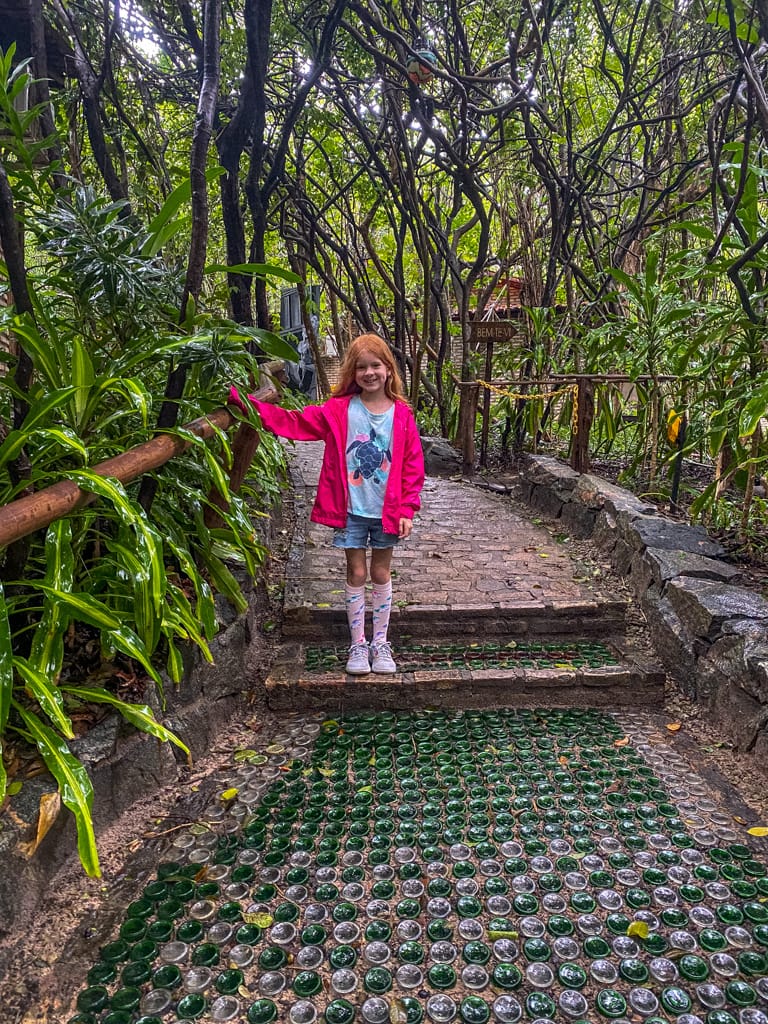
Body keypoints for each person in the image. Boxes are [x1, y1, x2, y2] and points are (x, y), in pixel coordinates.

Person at [229, 333, 425, 675]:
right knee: (356, 572)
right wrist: (250, 406)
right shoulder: (339, 411)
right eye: (361, 367)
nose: (369, 373)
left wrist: (408, 507)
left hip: (387, 511)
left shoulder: (402, 415)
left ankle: (380, 643)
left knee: (380, 572)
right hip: (351, 510)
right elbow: (295, 422)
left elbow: (412, 463)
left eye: (376, 365)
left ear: (389, 370)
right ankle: (358, 645)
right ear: (351, 373)